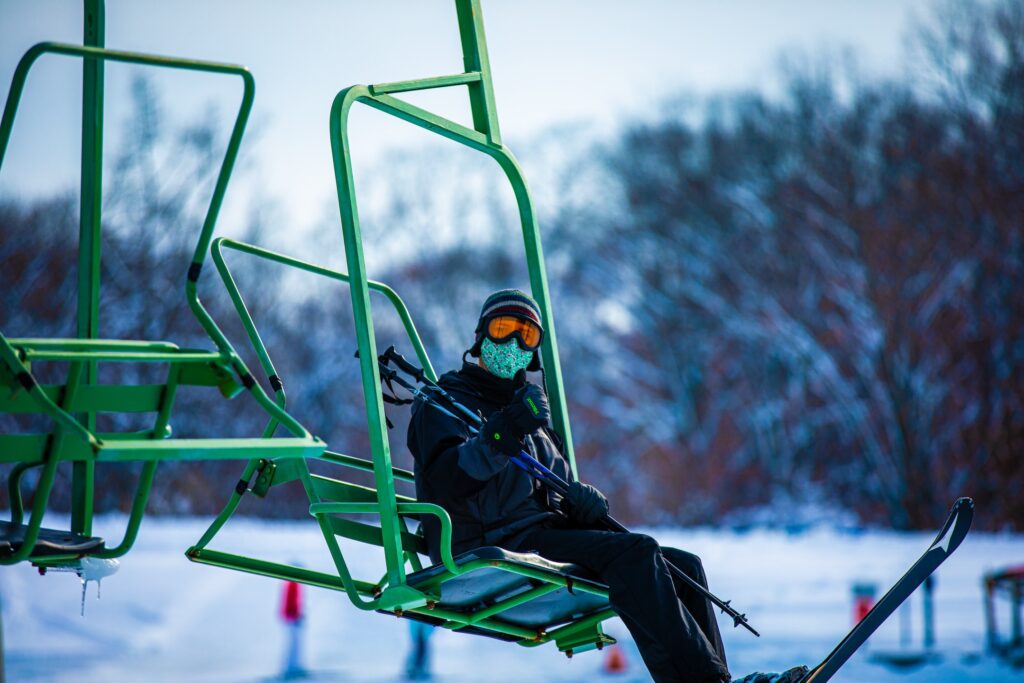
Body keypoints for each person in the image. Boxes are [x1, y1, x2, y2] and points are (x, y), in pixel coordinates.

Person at [407, 288, 808, 683]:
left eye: (526, 336)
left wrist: (580, 503)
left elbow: (549, 487)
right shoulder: (443, 402)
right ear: (480, 335)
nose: (512, 343)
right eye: (503, 329)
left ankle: (715, 677)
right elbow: (448, 482)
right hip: (492, 539)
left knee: (684, 566)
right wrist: (503, 432)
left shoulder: (529, 411)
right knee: (637, 552)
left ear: (533, 352)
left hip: (538, 535)